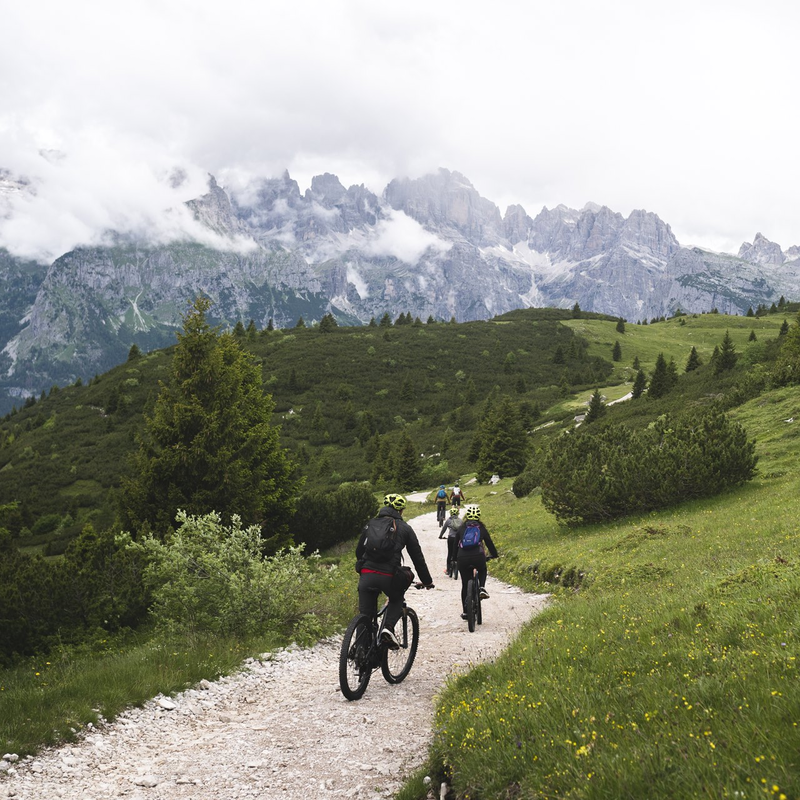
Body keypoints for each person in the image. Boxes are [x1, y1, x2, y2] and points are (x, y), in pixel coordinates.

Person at [355, 493, 435, 648]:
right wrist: (427, 581)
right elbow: (417, 557)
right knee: (397, 598)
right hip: (388, 576)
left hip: (367, 574)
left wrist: (363, 567)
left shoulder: (370, 524)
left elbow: (359, 551)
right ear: (401, 510)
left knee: (365, 616)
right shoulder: (405, 528)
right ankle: (388, 628)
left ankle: (358, 653)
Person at [455, 504, 498, 619]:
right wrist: (494, 555)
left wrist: (454, 558)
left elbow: (455, 546)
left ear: (467, 517)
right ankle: (482, 587)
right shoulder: (481, 528)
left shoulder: (462, 528)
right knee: (483, 569)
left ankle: (465, 612)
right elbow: (489, 543)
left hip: (462, 558)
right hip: (478, 557)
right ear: (478, 517)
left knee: (465, 584)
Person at [438, 506, 463, 576]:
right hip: (458, 539)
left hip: (451, 538)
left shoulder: (448, 520)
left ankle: (448, 570)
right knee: (457, 552)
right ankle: (458, 568)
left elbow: (444, 529)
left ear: (450, 513)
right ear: (458, 513)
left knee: (450, 553)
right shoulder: (460, 521)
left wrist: (440, 536)